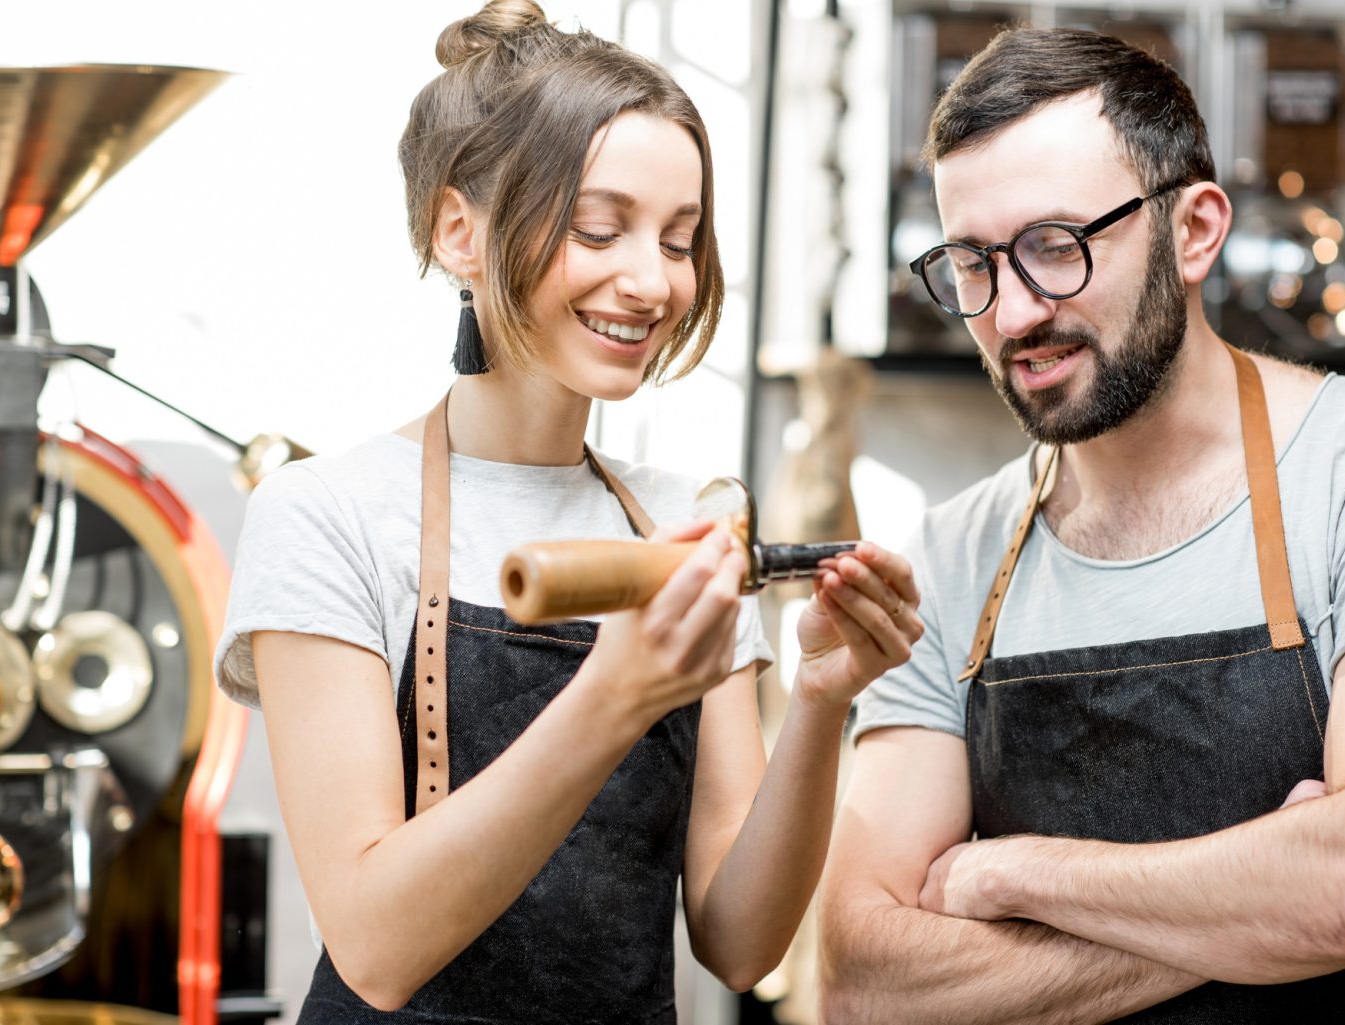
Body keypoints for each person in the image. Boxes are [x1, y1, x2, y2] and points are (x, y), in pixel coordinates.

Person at [213, 4, 921, 1021]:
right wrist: (614, 695)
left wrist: (819, 699)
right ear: (459, 232)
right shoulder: (328, 513)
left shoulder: (682, 519)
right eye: (599, 228)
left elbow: (739, 942)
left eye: (679, 239)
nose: (652, 281)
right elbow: (375, 946)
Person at [819, 26, 1345, 1024]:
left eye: (1056, 247)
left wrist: (1012, 873)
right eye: (973, 262)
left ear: (1196, 231)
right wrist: (1275, 902)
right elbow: (862, 982)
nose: (1012, 315)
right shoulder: (950, 560)